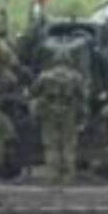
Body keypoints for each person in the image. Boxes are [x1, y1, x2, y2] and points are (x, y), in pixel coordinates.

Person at [32, 49, 88, 183]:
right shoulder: (76, 76)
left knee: (51, 144)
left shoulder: (45, 76)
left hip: (49, 112)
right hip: (69, 112)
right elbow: (83, 95)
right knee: (68, 144)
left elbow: (34, 91)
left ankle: (52, 174)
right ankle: (67, 175)